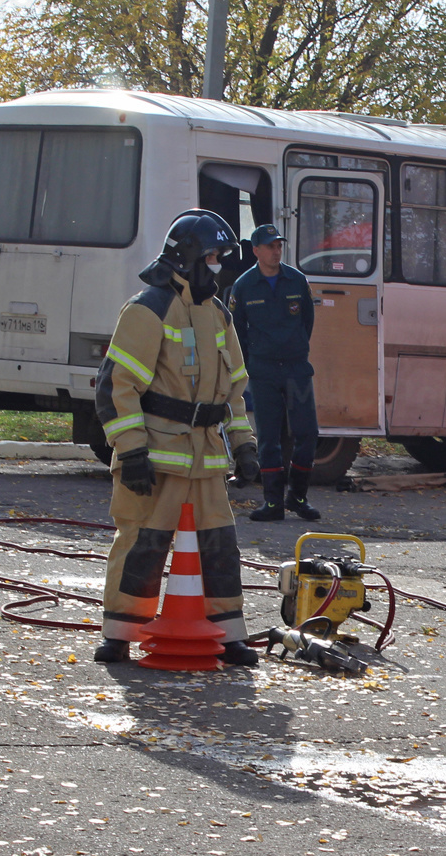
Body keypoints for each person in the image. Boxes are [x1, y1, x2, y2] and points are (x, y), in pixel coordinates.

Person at [92, 209, 261, 665]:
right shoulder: (148, 309)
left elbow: (234, 391)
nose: (217, 266)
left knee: (218, 548)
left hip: (206, 459)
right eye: (211, 257)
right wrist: (131, 452)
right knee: (141, 544)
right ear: (186, 257)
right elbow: (116, 387)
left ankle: (227, 634)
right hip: (156, 455)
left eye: (220, 257)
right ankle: (119, 634)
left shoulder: (218, 315)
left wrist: (243, 445)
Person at [229, 223, 320, 522]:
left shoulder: (296, 280)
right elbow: (237, 331)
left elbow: (307, 321)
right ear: (256, 250)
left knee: (308, 433)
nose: (276, 250)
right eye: (270, 246)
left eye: (279, 245)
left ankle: (298, 497)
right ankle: (272, 502)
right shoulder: (244, 285)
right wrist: (253, 361)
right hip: (264, 371)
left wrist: (295, 348)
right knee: (269, 438)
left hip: (296, 368)